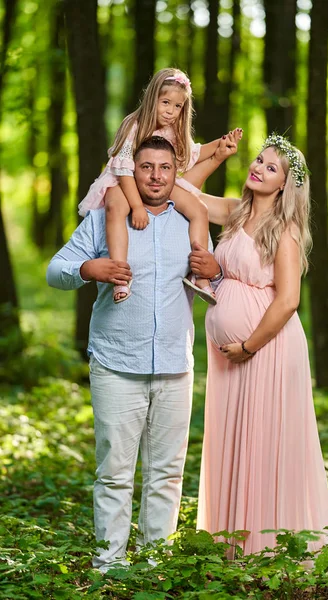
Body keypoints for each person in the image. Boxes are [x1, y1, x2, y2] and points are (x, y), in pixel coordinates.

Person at [46, 136, 226, 573]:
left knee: (166, 473)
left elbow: (216, 288)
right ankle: (109, 563)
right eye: (146, 167)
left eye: (165, 168)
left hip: (174, 365)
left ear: (174, 171)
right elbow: (56, 270)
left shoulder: (189, 223)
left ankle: (154, 563)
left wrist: (216, 272)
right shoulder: (107, 217)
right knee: (114, 471)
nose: (156, 177)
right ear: (132, 171)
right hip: (115, 363)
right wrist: (90, 269)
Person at [194, 133, 328, 557]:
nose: (258, 167)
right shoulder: (236, 214)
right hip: (232, 357)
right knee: (237, 437)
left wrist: (250, 345)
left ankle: (268, 546)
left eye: (271, 167)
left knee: (265, 441)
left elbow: (289, 299)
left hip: (268, 350)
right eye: (259, 159)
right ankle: (234, 544)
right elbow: (184, 192)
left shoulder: (285, 230)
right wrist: (214, 154)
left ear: (284, 184)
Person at [78, 67, 242, 304]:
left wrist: (221, 144)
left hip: (157, 182)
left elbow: (192, 154)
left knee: (199, 209)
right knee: (115, 208)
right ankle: (120, 275)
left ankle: (199, 273)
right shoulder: (133, 124)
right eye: (166, 102)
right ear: (152, 97)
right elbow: (123, 169)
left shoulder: (172, 130)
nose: (171, 111)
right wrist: (136, 206)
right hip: (124, 179)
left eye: (178, 106)